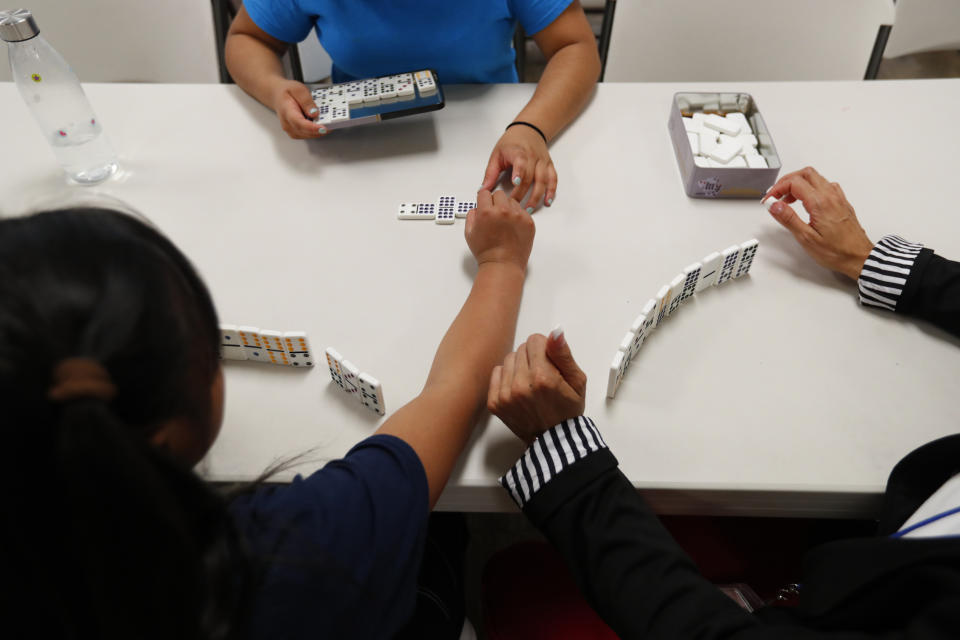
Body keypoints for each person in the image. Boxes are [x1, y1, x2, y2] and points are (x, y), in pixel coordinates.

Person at [0, 189, 534, 639]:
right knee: (438, 529)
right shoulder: (305, 547)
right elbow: (456, 392)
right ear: (164, 435)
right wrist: (502, 261)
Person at [482, 167, 960, 638]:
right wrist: (872, 261)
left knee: (514, 582)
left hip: (828, 594)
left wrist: (566, 460)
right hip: (885, 545)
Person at [224, 1, 601, 212]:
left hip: (493, 143)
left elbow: (576, 47)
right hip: (351, 155)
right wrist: (274, 89)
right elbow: (247, 39)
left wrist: (531, 127)